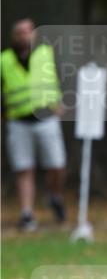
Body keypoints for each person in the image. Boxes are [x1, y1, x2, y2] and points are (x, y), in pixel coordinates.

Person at [1, 18, 67, 231]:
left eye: (28, 31)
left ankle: (54, 196)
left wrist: (61, 101)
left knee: (56, 164)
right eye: (20, 32)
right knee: (24, 168)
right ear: (14, 36)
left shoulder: (46, 53)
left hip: (46, 118)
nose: (24, 36)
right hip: (18, 121)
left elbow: (62, 77)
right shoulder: (4, 60)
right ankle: (27, 214)